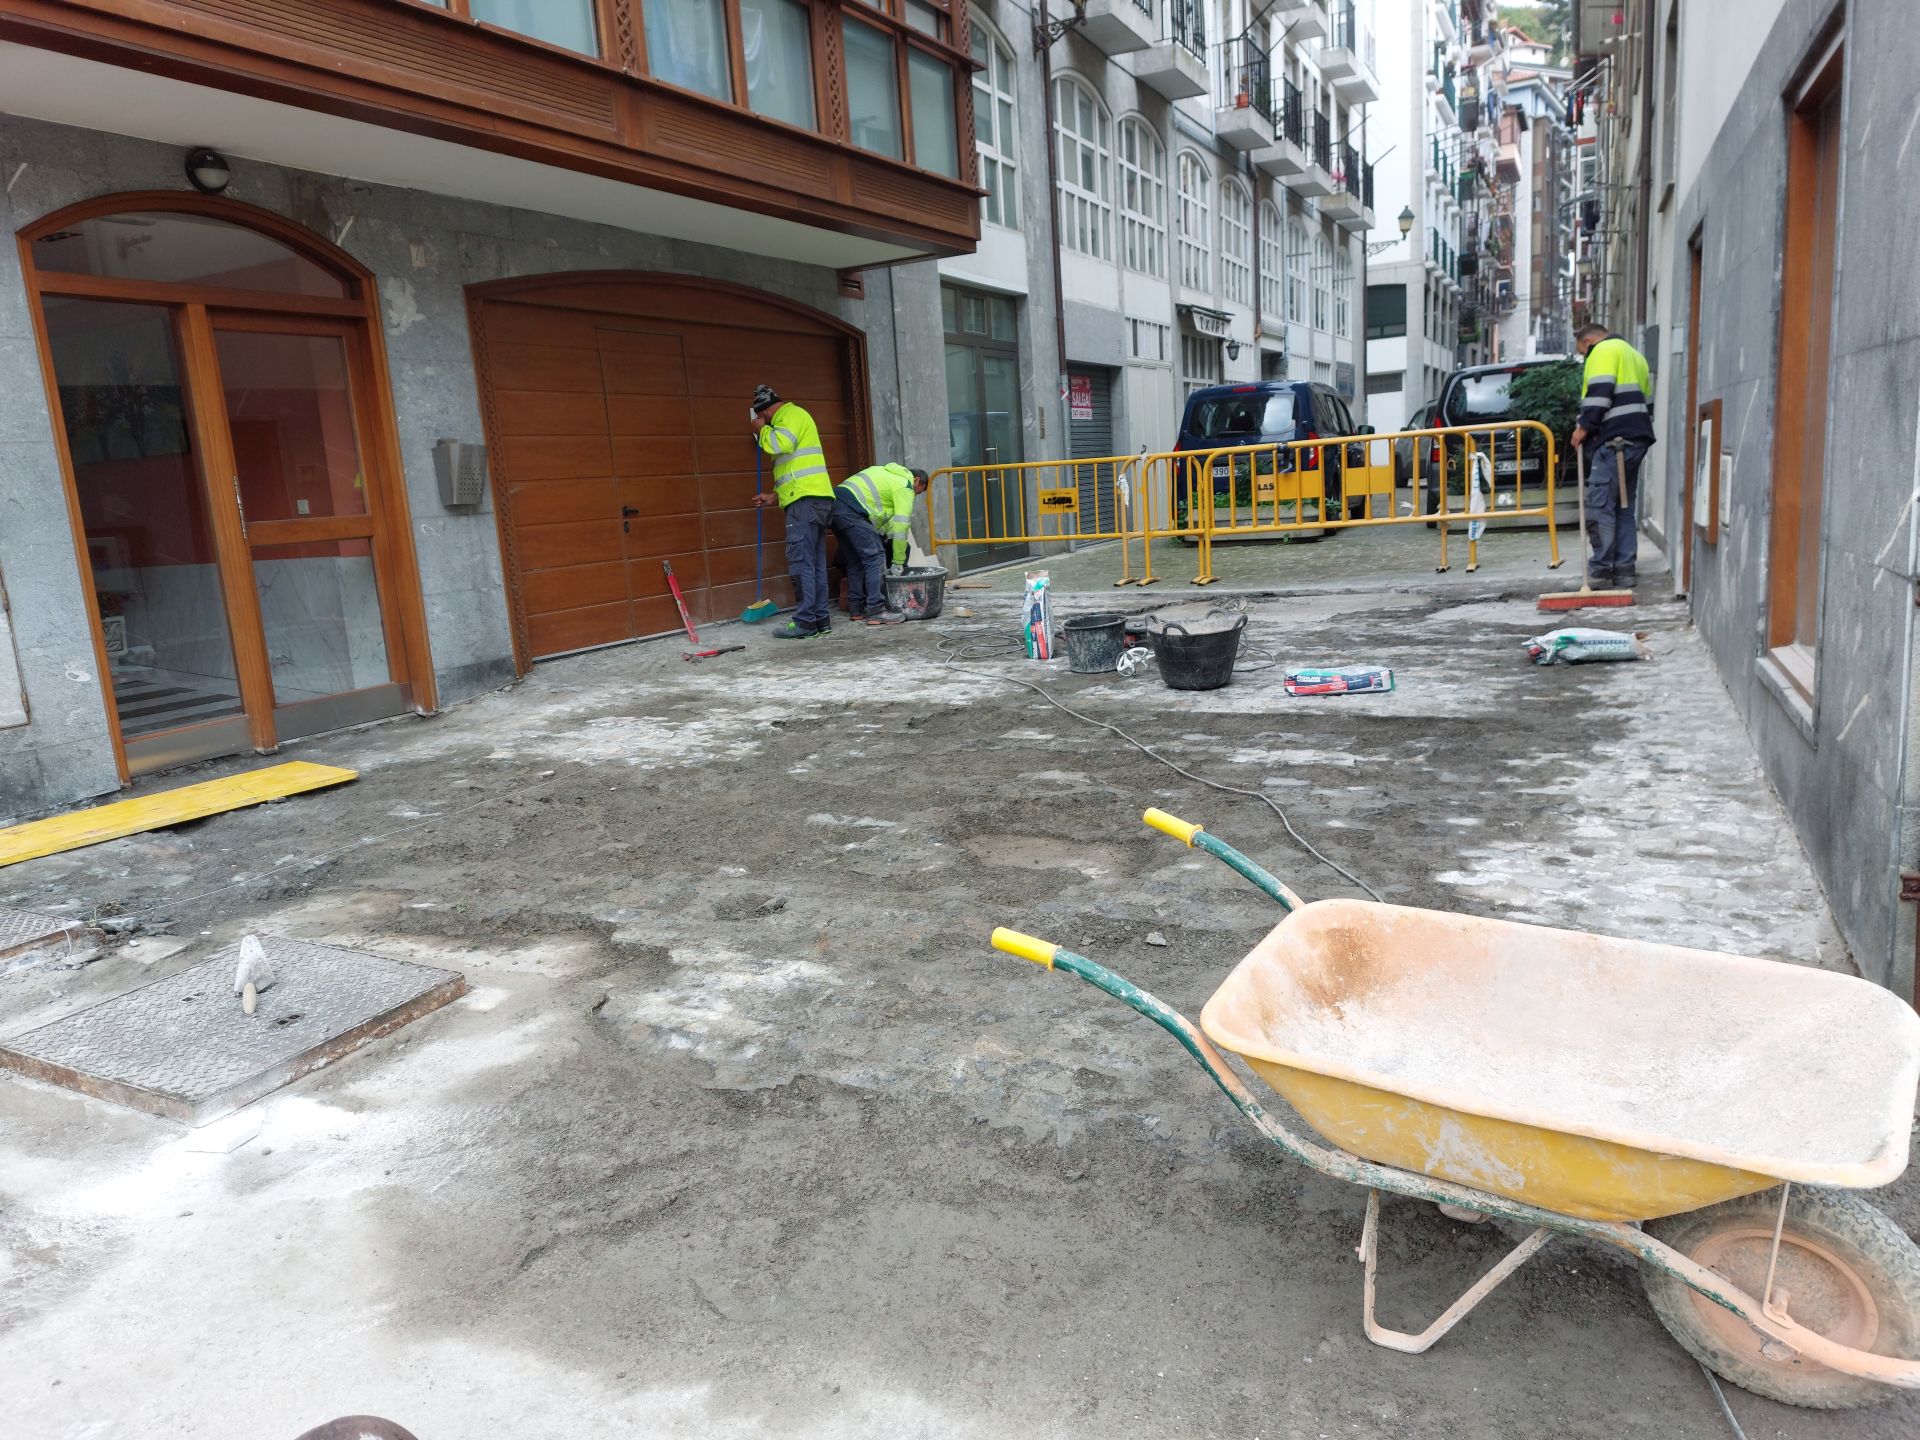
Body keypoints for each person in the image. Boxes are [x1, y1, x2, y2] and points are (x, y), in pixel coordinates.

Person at [1569, 323, 1656, 587]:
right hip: (1637, 439)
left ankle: (1600, 570)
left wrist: (1582, 428)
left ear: (1589, 342)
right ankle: (1624, 569)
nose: (1585, 356)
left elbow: (1599, 392)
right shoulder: (1635, 355)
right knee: (1624, 507)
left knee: (1600, 505)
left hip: (1613, 440)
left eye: (1583, 351)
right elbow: (1648, 403)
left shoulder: (1602, 351)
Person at [748, 383, 835, 639]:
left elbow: (779, 444)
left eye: (761, 418)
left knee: (801, 563)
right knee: (815, 564)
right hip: (815, 500)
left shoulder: (789, 415)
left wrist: (762, 430)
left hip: (804, 503)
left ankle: (805, 622)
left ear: (764, 412)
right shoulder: (797, 417)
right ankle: (820, 620)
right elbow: (795, 466)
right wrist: (774, 496)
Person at [831, 462, 930, 626]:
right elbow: (901, 525)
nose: (915, 495)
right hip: (852, 510)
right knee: (875, 558)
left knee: (855, 560)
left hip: (834, 506)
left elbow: (878, 516)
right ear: (916, 480)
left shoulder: (886, 473)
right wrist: (898, 561)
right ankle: (876, 610)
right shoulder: (904, 485)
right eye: (918, 492)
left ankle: (855, 608)